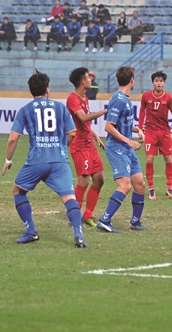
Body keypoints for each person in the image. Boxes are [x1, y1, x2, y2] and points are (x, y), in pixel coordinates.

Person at [1, 71, 88, 247]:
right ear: (47, 90)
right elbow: (72, 133)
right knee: (69, 197)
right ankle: (78, 235)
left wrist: (8, 160)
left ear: (31, 91)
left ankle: (31, 232)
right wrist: (61, 147)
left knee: (18, 191)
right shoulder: (60, 107)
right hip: (59, 161)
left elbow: (13, 138)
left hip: (36, 161)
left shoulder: (25, 110)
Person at [96, 66, 147, 233]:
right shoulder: (118, 99)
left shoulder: (125, 99)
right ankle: (104, 220)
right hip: (117, 147)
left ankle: (135, 222)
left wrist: (136, 130)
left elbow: (122, 124)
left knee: (139, 184)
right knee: (125, 186)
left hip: (126, 147)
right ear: (132, 80)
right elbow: (109, 127)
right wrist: (128, 141)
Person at [67, 67, 109, 227]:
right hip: (79, 146)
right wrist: (104, 111)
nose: (90, 80)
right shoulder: (73, 99)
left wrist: (95, 135)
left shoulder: (84, 97)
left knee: (99, 180)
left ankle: (88, 215)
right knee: (83, 182)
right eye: (88, 78)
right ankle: (74, 216)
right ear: (81, 81)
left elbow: (83, 124)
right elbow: (83, 118)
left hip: (89, 144)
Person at [139, 71, 172, 200]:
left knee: (168, 159)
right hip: (150, 132)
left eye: (161, 81)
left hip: (164, 132)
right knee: (149, 159)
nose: (159, 83)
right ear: (153, 83)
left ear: (164, 83)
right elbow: (141, 112)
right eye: (157, 81)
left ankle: (169, 187)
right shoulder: (146, 96)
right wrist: (140, 129)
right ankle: (151, 188)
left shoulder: (169, 98)